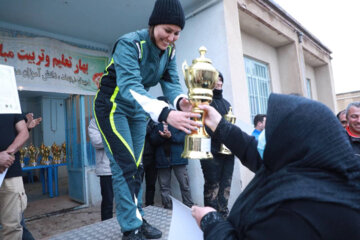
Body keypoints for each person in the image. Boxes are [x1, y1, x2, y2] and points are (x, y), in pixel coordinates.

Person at [93, 0, 201, 239]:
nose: (171, 37)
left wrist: (181, 102)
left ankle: (138, 219)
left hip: (138, 110)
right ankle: (130, 227)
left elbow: (171, 83)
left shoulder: (170, 51)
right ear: (153, 24)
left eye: (176, 33)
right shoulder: (129, 43)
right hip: (112, 107)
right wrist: (165, 113)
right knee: (125, 165)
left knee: (138, 166)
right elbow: (130, 86)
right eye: (167, 30)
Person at [192, 94, 360, 239]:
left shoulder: (298, 210)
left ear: (294, 138)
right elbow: (251, 151)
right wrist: (219, 124)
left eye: (272, 130)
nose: (266, 135)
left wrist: (211, 223)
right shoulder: (307, 166)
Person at [200, 72, 234, 218]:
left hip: (228, 152)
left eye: (221, 80)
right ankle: (211, 217)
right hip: (211, 152)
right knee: (212, 185)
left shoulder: (227, 104)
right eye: (216, 80)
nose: (219, 83)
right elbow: (204, 128)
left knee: (226, 185)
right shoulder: (205, 103)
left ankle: (224, 215)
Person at [150, 97, 193, 209]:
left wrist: (170, 136)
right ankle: (168, 208)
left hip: (178, 158)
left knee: (185, 185)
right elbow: (152, 140)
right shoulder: (154, 121)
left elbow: (183, 137)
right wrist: (162, 137)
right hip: (162, 159)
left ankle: (189, 207)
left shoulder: (177, 118)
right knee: (164, 187)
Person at [0, 114, 29, 240]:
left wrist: (7, 155)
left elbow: (24, 132)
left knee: (13, 227)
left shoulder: (10, 99)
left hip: (11, 173)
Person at [88, 118, 114, 221]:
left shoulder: (118, 116)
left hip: (122, 168)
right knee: (108, 202)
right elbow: (96, 142)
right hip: (106, 169)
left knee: (127, 200)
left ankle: (128, 229)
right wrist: (114, 136)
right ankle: (106, 226)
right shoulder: (95, 121)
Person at [142, 119, 157, 206]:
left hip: (152, 156)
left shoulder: (153, 121)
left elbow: (155, 139)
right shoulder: (136, 120)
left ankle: (150, 204)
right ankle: (136, 205)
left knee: (151, 184)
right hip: (140, 157)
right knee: (137, 183)